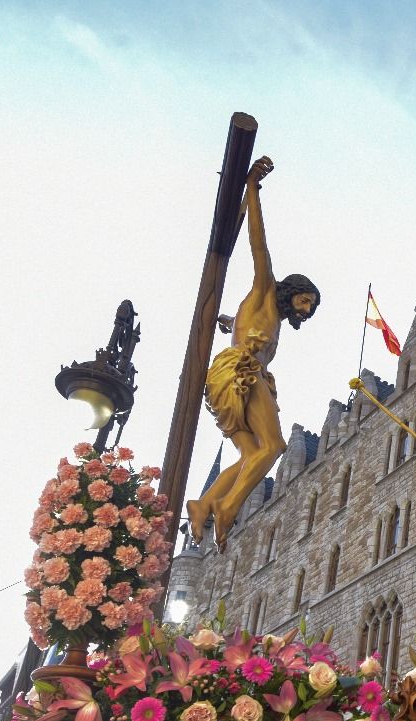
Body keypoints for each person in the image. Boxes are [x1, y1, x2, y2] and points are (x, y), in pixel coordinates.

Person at [186, 155, 320, 549]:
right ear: (291, 289)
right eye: (305, 300)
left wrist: (228, 322)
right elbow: (258, 243)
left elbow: (243, 327)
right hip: (241, 373)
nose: (306, 309)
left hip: (240, 376)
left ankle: (203, 502)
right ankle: (226, 509)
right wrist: (253, 188)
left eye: (311, 307)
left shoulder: (266, 317)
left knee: (251, 456)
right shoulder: (264, 287)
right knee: (274, 446)